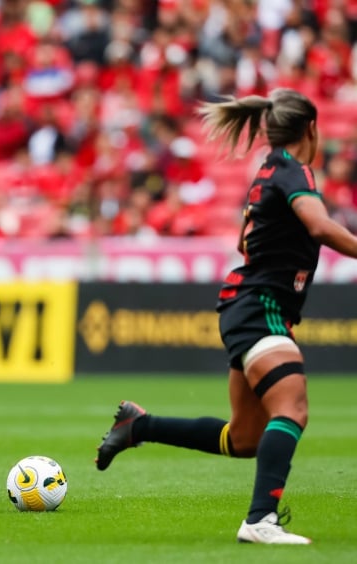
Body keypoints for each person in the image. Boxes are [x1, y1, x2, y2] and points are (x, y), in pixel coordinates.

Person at [94, 88, 357, 544]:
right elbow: (317, 224)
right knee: (291, 405)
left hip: (247, 304)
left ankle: (138, 425)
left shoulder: (267, 172)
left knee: (245, 439)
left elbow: (245, 241)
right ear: (311, 129)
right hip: (261, 307)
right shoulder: (293, 171)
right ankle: (261, 521)